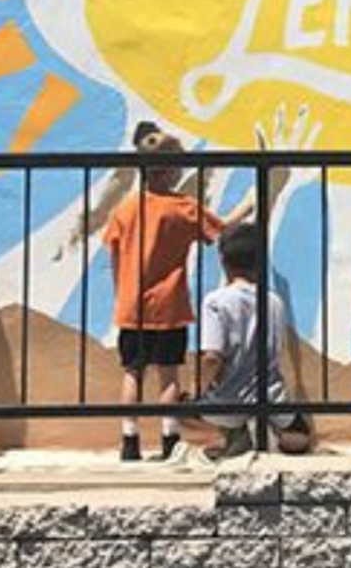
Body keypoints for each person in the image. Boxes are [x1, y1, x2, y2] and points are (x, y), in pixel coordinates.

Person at [93, 128, 253, 462]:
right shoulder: (182, 208)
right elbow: (221, 230)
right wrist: (250, 203)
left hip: (131, 306)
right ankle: (169, 438)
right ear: (170, 170)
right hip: (169, 306)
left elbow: (113, 251)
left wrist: (122, 292)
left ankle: (129, 441)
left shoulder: (126, 209)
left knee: (132, 372)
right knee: (168, 374)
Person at [190, 222, 312, 461]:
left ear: (223, 261)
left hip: (227, 400)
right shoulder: (274, 301)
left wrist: (196, 394)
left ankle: (235, 433)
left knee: (178, 410)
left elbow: (212, 358)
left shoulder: (216, 301)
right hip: (270, 397)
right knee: (300, 439)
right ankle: (265, 429)